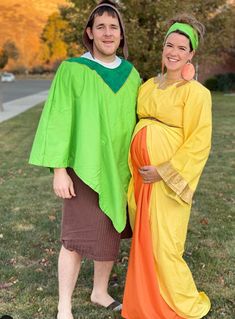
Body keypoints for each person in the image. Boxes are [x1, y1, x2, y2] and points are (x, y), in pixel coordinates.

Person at [29, 1, 141, 318]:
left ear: (121, 35)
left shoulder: (131, 75)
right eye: (101, 26)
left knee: (111, 230)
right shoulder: (73, 70)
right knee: (75, 238)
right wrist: (59, 170)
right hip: (82, 167)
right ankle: (64, 305)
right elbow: (58, 120)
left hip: (119, 169)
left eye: (114, 27)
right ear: (90, 33)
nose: (108, 32)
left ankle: (99, 292)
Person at [122, 14, 212, 319]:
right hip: (140, 178)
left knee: (166, 245)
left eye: (181, 48)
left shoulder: (196, 93)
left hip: (167, 180)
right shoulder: (147, 86)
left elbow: (199, 142)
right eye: (169, 45)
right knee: (145, 240)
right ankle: (146, 303)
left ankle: (182, 304)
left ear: (191, 54)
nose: (173, 52)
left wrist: (164, 170)